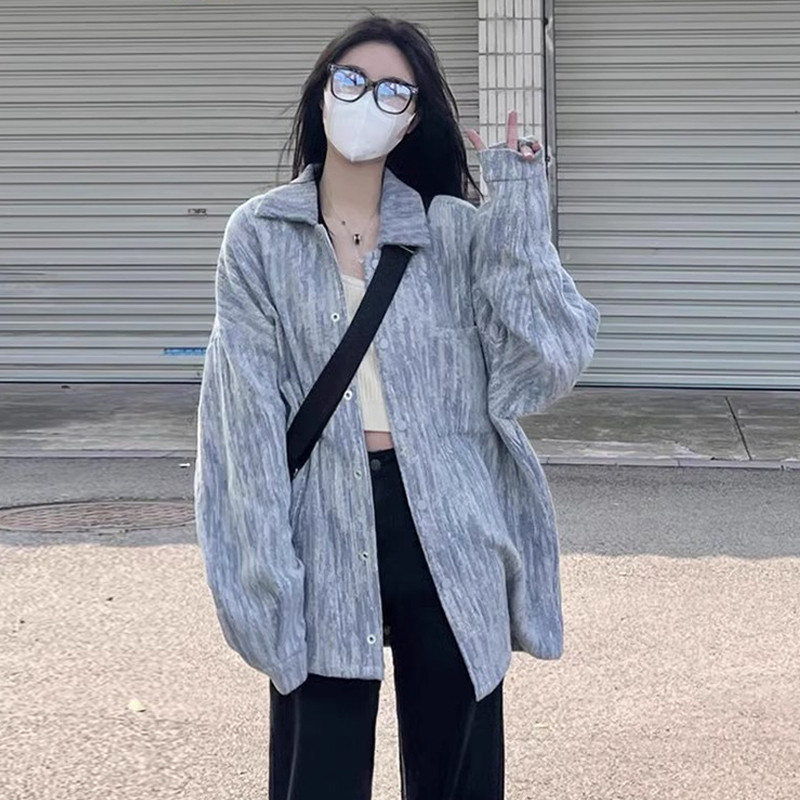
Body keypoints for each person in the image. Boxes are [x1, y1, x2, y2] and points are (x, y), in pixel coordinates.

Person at [193, 14, 600, 800]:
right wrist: (259, 578)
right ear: (322, 94)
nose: (366, 101)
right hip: (322, 517)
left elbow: (549, 359)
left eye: (391, 91)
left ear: (412, 118)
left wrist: (518, 206)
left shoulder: (455, 233)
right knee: (320, 769)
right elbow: (240, 427)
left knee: (457, 770)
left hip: (448, 518)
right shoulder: (261, 235)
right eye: (351, 81)